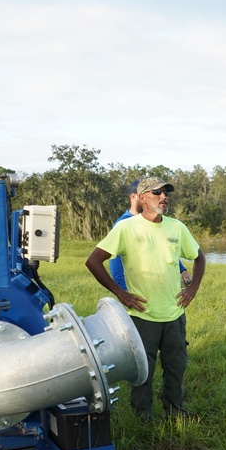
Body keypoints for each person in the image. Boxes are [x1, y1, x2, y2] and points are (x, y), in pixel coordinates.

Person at [85, 176, 206, 422]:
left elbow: (199, 256)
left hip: (174, 314)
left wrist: (192, 288)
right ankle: (144, 418)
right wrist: (120, 293)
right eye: (156, 192)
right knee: (143, 370)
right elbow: (93, 261)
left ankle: (175, 412)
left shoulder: (176, 227)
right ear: (142, 198)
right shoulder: (126, 228)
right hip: (142, 315)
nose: (164, 197)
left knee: (176, 366)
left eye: (165, 192)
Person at [110, 179, 189, 290]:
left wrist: (182, 269)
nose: (162, 196)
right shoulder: (123, 224)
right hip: (137, 290)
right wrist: (123, 292)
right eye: (155, 192)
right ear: (135, 197)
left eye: (165, 193)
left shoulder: (156, 221)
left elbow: (164, 248)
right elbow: (115, 262)